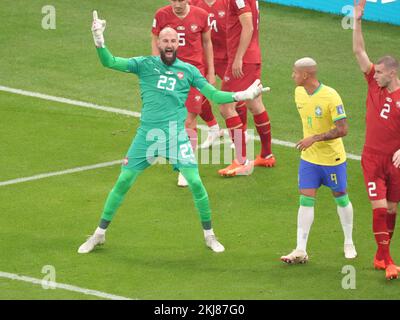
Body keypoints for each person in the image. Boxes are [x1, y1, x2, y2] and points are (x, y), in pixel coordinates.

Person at [78, 11, 269, 254]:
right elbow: (110, 62)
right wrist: (99, 40)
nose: (169, 45)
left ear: (178, 44)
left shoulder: (188, 71)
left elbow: (214, 95)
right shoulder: (144, 64)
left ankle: (209, 235)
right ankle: (99, 234)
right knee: (124, 181)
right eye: (165, 41)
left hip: (175, 136)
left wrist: (242, 95)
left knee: (196, 184)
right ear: (158, 43)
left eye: (173, 41)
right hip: (147, 136)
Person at [280, 57, 357, 264]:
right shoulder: (298, 92)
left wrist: (314, 138)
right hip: (309, 159)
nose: (292, 75)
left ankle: (348, 241)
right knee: (305, 199)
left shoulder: (331, 96)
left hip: (333, 159)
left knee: (340, 197)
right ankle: (300, 249)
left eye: (295, 72)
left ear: (306, 75)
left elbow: (343, 129)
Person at [353, 0, 400, 280]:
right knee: (380, 208)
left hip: (394, 160)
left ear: (392, 73)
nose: (375, 74)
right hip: (372, 158)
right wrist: (357, 20)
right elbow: (359, 50)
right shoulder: (373, 83)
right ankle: (389, 259)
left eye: (380, 72)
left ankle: (381, 255)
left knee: (392, 208)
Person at [151, 0, 221, 186]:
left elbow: (207, 43)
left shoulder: (201, 16)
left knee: (188, 120)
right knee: (173, 119)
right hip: (169, 73)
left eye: (181, 0)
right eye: (174, 0)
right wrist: (155, 67)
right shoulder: (161, 15)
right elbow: (155, 40)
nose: (177, 4)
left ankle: (185, 167)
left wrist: (211, 71)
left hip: (192, 74)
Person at [218, 0, 275, 177]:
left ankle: (242, 160)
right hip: (253, 56)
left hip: (244, 59)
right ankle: (266, 154)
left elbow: (248, 26)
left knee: (225, 105)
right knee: (254, 103)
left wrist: (238, 57)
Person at [190, 0, 248, 150]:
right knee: (196, 91)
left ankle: (243, 131)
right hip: (203, 57)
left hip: (227, 57)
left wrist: (239, 56)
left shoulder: (228, 3)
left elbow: (244, 27)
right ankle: (214, 128)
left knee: (233, 94)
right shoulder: (193, 3)